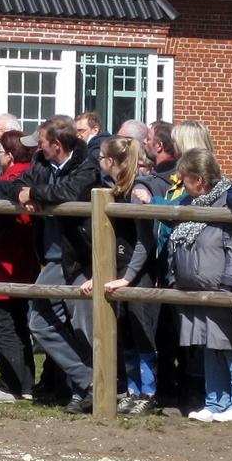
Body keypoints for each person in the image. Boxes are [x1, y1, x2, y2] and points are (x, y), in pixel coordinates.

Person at [0, 116, 100, 413]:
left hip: (81, 260)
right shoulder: (43, 165)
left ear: (56, 145)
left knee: (84, 327)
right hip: (53, 260)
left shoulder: (86, 165)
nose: (35, 148)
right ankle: (88, 381)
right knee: (39, 323)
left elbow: (71, 192)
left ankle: (97, 387)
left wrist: (35, 193)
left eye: (40, 143)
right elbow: (10, 187)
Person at [167, 149, 232, 422]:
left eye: (185, 178)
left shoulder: (228, 204)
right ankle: (214, 402)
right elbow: (175, 242)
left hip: (221, 288)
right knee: (208, 346)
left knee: (230, 346)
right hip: (193, 289)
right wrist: (175, 276)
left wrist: (229, 284)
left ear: (199, 179)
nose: (181, 182)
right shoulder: (188, 203)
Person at [94, 136, 160, 416]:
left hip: (137, 273)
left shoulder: (136, 190)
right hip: (118, 270)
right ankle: (132, 389)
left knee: (142, 331)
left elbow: (145, 241)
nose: (98, 161)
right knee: (125, 334)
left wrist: (129, 276)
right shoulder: (112, 189)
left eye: (101, 156)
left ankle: (149, 391)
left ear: (112, 161)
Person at [0, 131, 39, 403]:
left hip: (3, 261)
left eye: (0, 152)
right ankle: (25, 383)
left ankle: (10, 385)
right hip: (25, 262)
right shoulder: (32, 175)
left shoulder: (11, 179)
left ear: (10, 155)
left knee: (4, 325)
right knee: (20, 324)